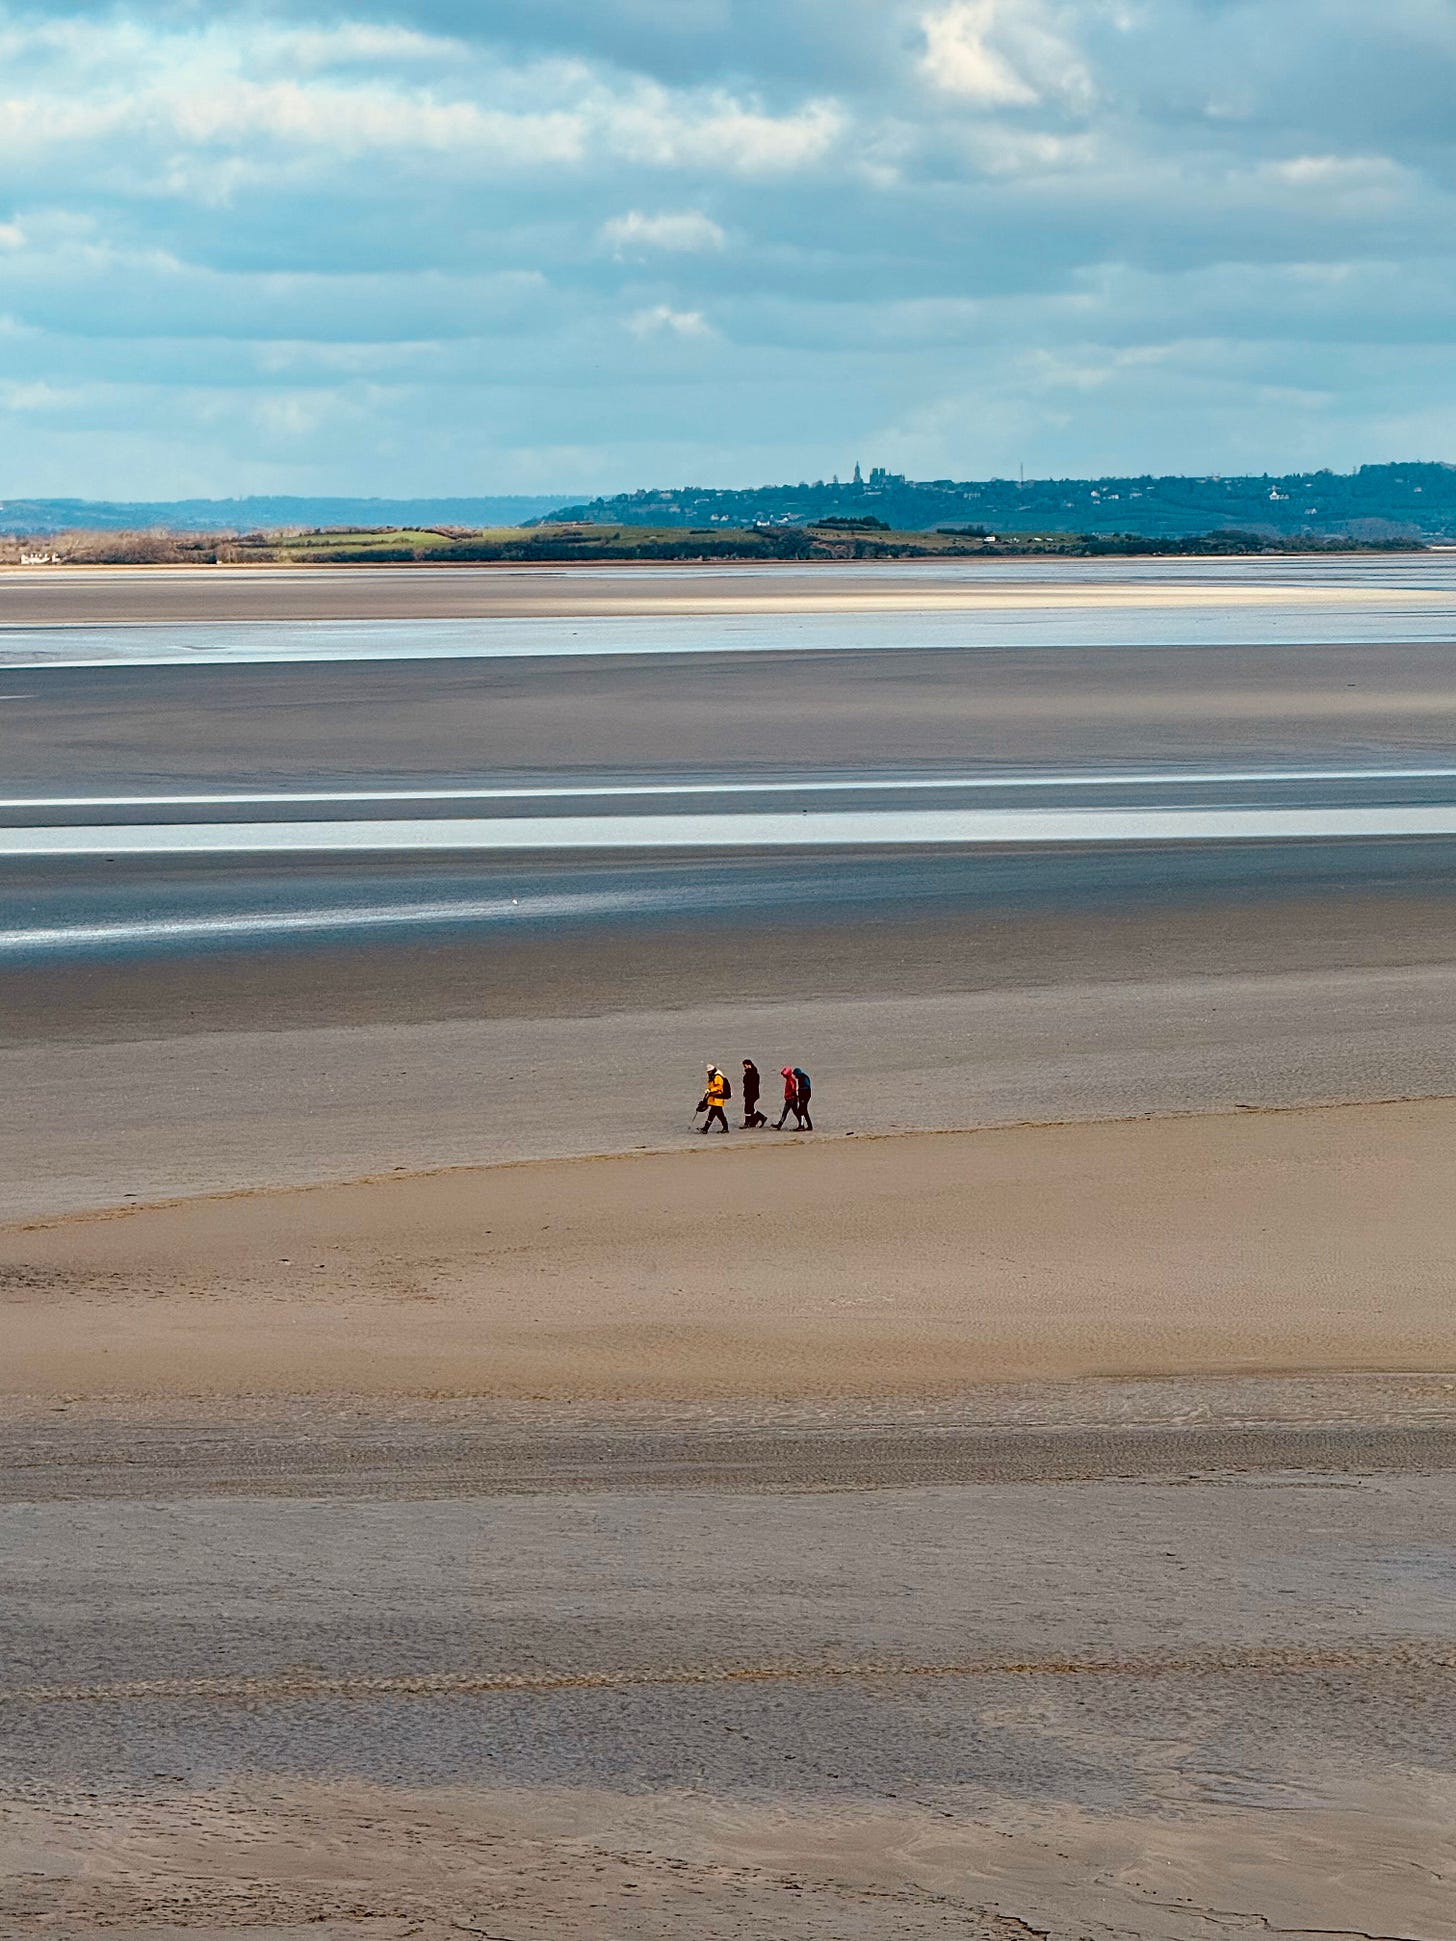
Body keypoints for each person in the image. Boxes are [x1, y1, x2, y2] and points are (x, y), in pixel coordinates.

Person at [698, 1062, 731, 1134]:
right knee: (717, 1115)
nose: (708, 1073)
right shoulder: (714, 1077)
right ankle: (707, 1129)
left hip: (717, 1099)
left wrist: (710, 1090)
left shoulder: (717, 1077)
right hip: (715, 1100)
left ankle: (706, 1129)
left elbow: (719, 1087)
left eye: (709, 1072)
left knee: (715, 1115)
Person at [773, 1065, 808, 1130]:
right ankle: (800, 1124)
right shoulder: (789, 1080)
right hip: (790, 1098)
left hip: (791, 1099)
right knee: (792, 1112)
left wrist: (787, 1094)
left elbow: (793, 1090)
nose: (784, 1076)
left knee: (789, 1112)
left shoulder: (791, 1080)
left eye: (784, 1075)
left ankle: (780, 1124)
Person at [741, 1059, 767, 1128]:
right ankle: (757, 1119)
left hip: (751, 1094)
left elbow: (751, 1084)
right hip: (752, 1094)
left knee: (747, 1108)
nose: (744, 1067)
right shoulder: (753, 1073)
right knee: (750, 1108)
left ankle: (748, 1122)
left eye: (745, 1066)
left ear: (749, 1065)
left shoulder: (752, 1073)